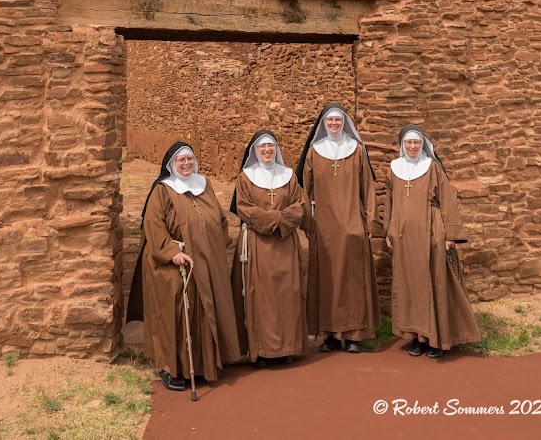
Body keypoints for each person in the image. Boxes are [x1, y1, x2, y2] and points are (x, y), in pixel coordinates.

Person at [127, 141, 240, 390]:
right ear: (171, 164)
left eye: (190, 159)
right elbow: (154, 226)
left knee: (206, 307)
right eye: (181, 160)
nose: (186, 164)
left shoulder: (204, 185)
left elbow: (219, 219)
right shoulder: (163, 191)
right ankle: (172, 368)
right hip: (174, 263)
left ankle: (205, 364)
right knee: (177, 311)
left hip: (205, 259)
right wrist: (172, 252)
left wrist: (216, 245)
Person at [383, 125, 481, 358]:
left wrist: (450, 234)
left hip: (431, 233)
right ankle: (417, 337)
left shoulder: (432, 167)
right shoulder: (394, 169)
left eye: (416, 143)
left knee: (435, 283)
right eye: (408, 143)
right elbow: (389, 203)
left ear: (423, 145)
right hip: (404, 237)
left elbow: (447, 200)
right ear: (402, 145)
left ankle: (437, 338)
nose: (412, 146)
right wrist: (388, 231)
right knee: (410, 285)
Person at [296, 103, 380, 353]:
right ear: (324, 124)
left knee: (353, 280)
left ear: (344, 123)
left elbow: (368, 188)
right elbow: (304, 189)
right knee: (327, 279)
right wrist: (307, 222)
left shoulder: (357, 150)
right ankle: (330, 334)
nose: (334, 124)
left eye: (338, 120)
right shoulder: (314, 152)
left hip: (353, 222)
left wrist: (370, 221)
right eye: (330, 120)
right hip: (324, 226)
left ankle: (354, 334)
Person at [230, 130, 307, 367]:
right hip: (258, 243)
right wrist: (275, 220)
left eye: (271, 146)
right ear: (255, 150)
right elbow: (244, 208)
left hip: (285, 244)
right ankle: (261, 350)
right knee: (261, 295)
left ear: (277, 149)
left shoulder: (289, 176)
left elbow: (299, 206)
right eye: (262, 147)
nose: (267, 150)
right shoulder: (246, 177)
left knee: (287, 293)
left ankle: (287, 348)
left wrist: (278, 222)